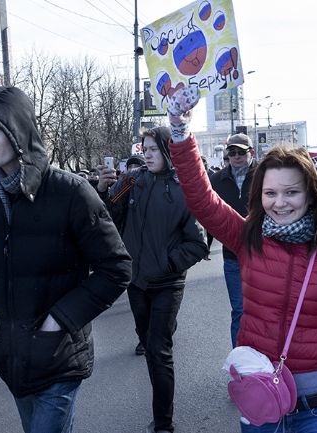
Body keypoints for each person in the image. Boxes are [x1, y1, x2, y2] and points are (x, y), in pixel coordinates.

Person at [166, 88, 317, 432]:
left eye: (291, 192)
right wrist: (180, 132)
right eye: (270, 193)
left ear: (310, 193)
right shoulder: (249, 238)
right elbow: (202, 201)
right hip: (262, 399)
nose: (280, 203)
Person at [0, 86, 131, 433]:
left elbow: (117, 268)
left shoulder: (70, 192)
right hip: (10, 354)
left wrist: (58, 321)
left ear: (17, 130)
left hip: (60, 355)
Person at [97, 126, 208, 433]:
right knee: (146, 341)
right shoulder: (131, 180)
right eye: (143, 148)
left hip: (167, 283)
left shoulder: (184, 188)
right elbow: (108, 218)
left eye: (153, 148)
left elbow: (198, 244)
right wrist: (104, 191)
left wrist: (168, 263)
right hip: (136, 282)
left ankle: (163, 424)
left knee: (159, 352)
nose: (146, 153)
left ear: (169, 151)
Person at [209, 133, 258, 348]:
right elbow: (210, 215)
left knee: (267, 309)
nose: (236, 156)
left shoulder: (265, 175)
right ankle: (241, 361)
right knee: (240, 310)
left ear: (251, 153)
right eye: (232, 153)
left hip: (264, 253)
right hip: (232, 256)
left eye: (241, 152)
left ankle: (270, 361)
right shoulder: (217, 180)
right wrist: (206, 244)